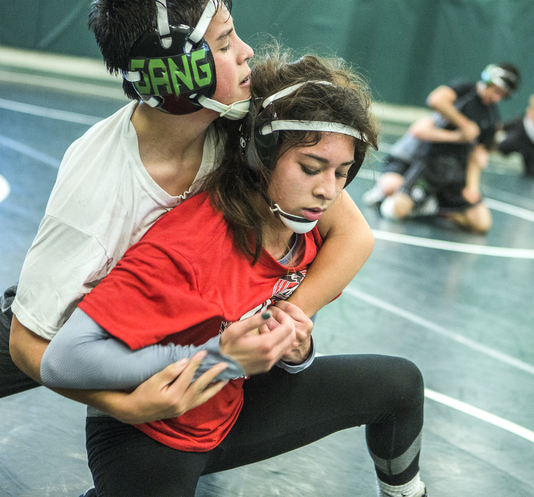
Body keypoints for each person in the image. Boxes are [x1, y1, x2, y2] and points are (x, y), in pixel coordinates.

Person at [39, 49, 428, 497]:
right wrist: (219, 356)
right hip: (152, 431)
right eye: (311, 168)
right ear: (261, 155)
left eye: (343, 173)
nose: (327, 190)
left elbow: (354, 242)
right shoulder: (190, 246)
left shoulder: (302, 217)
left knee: (400, 385)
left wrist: (293, 342)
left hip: (229, 406)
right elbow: (62, 361)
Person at [4, 0, 375, 423]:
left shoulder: (246, 122)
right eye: (223, 43)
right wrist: (122, 406)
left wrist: (278, 323)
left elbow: (353, 236)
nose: (246, 50)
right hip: (79, 311)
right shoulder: (96, 190)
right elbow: (28, 344)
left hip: (177, 318)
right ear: (177, 67)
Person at [363, 63, 520, 233]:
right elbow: (432, 106)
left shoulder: (490, 117)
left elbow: (478, 155)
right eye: (496, 92)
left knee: (481, 224)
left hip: (452, 172)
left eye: (502, 96)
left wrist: (472, 187)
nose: (497, 98)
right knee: (391, 194)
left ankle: (433, 207)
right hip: (422, 161)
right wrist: (462, 128)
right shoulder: (461, 96)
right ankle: (390, 196)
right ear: (488, 80)